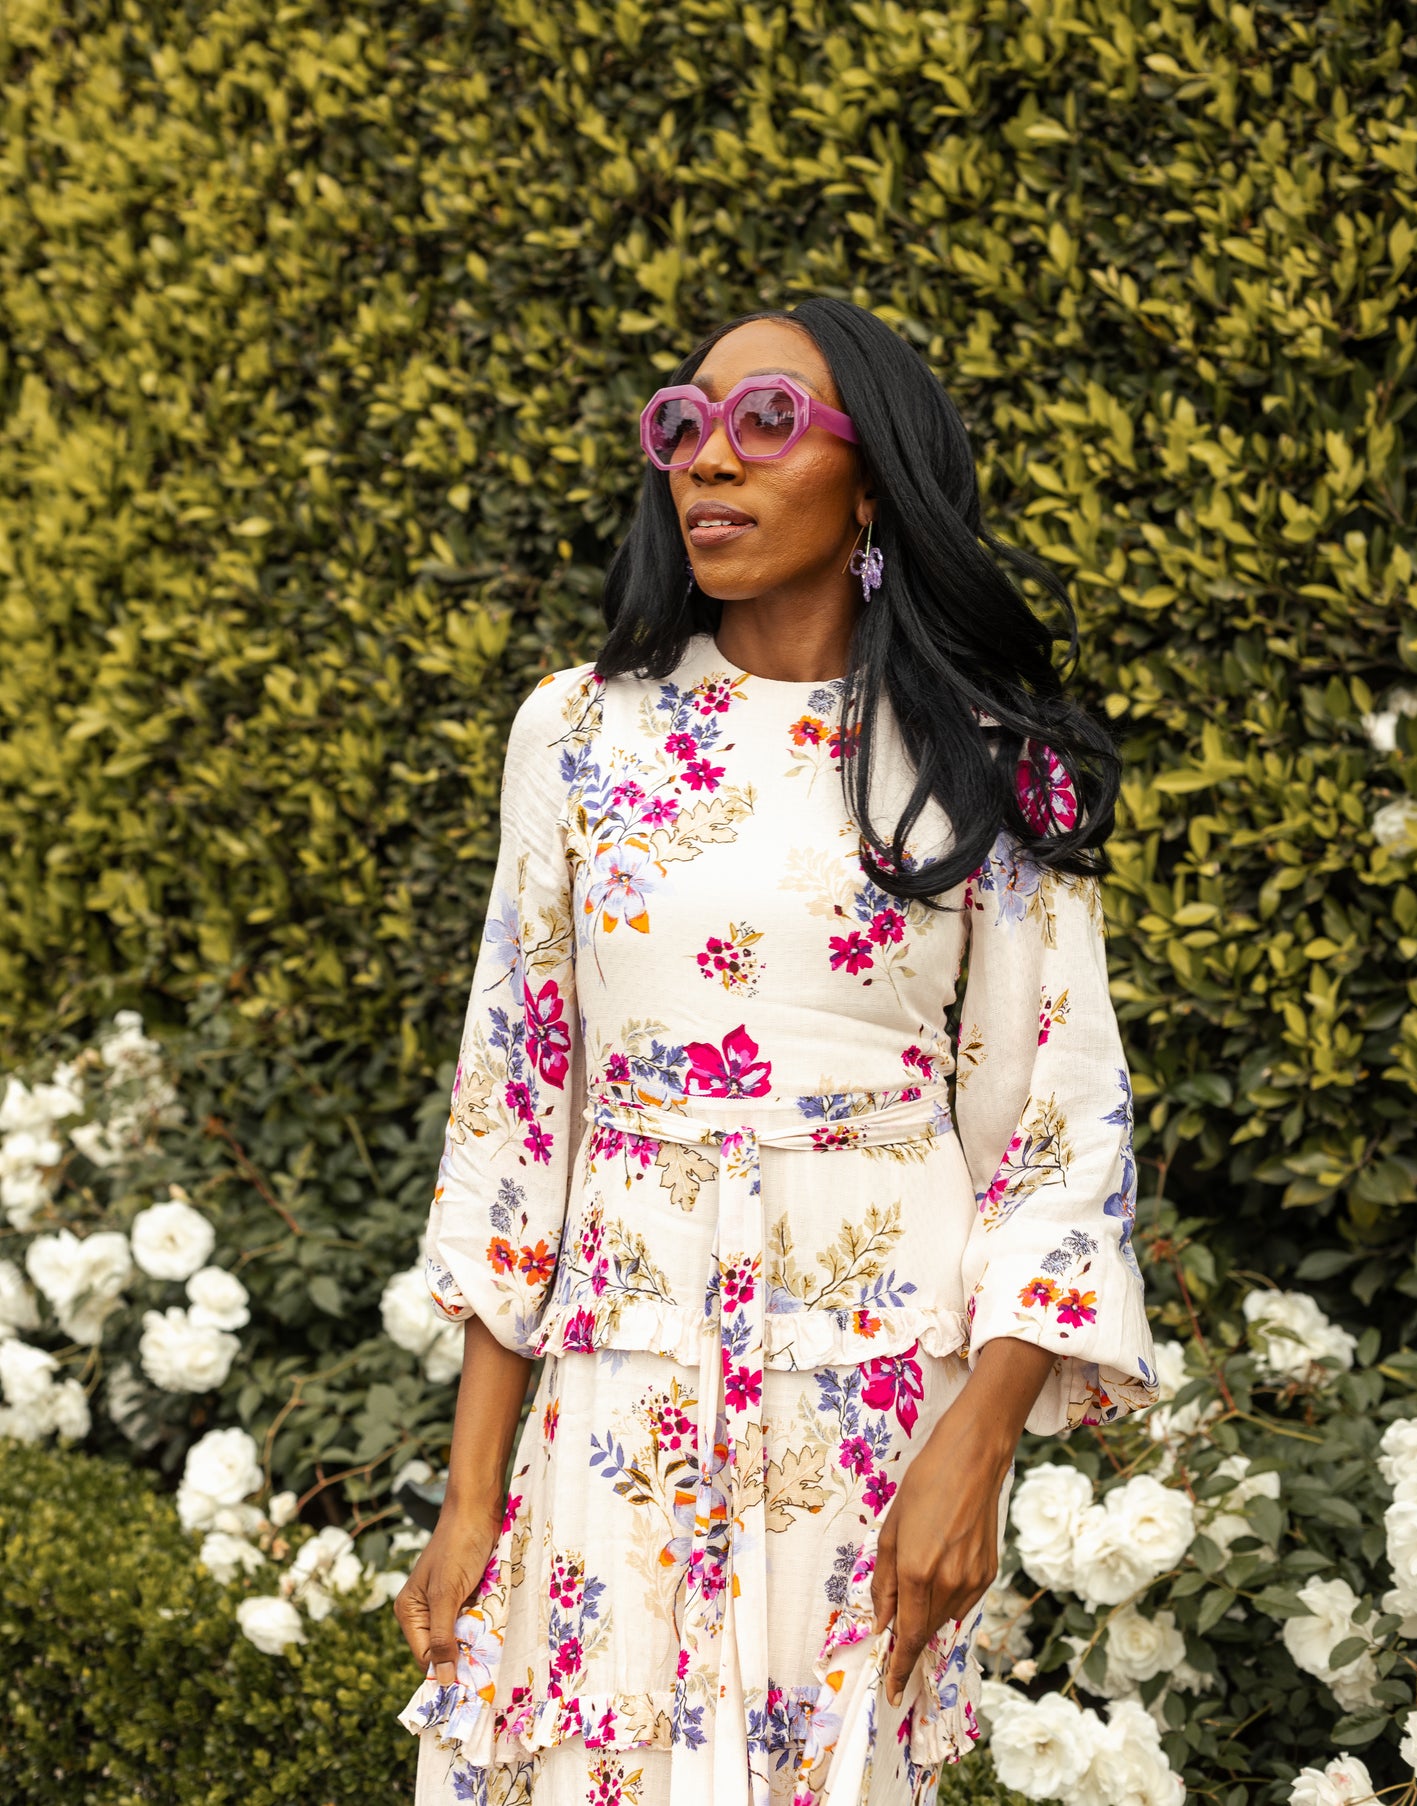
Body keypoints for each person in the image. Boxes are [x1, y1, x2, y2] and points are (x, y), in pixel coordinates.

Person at [393, 297, 1158, 1806]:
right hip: (618, 1385)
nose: (707, 459)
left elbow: (1056, 1129)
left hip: (866, 1401)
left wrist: (979, 1447)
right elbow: (518, 1107)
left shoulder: (988, 765)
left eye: (765, 422)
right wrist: (470, 1491)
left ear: (872, 481)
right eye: (682, 425)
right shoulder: (577, 732)